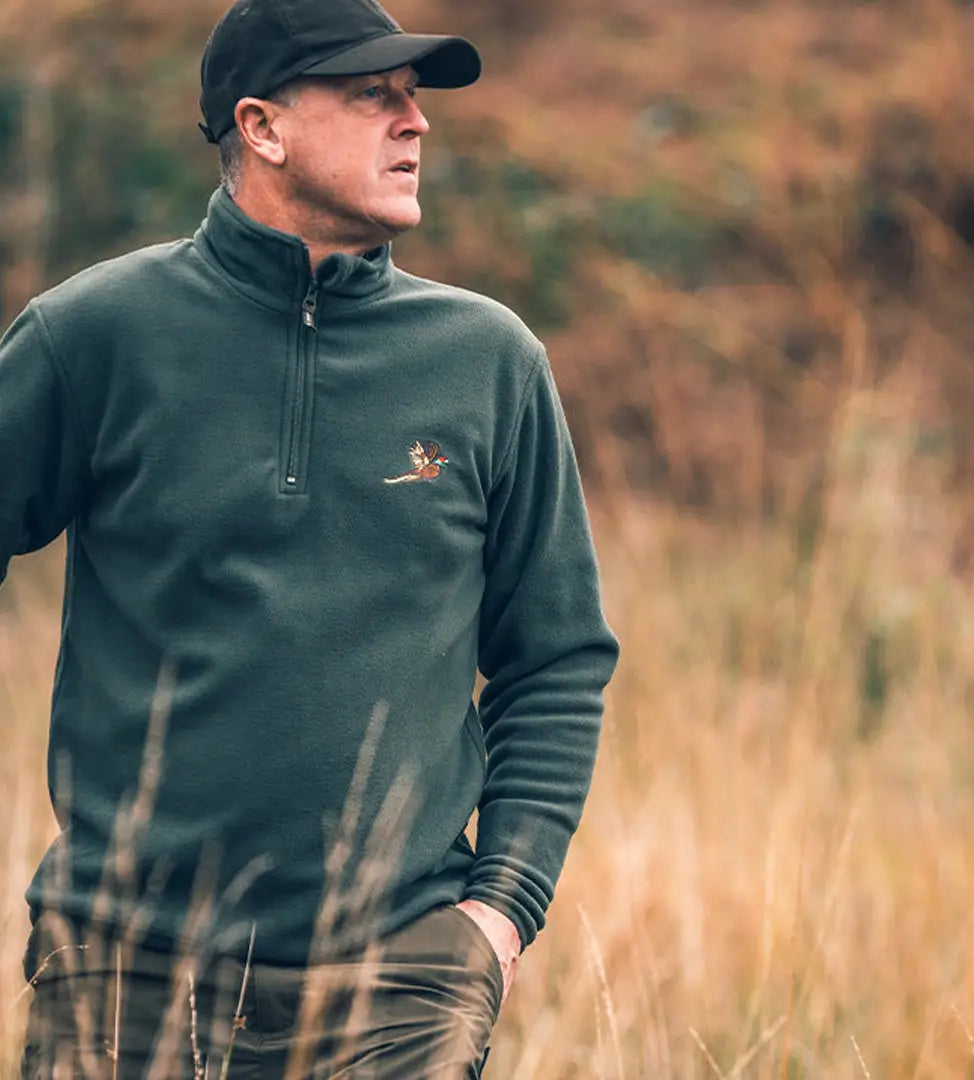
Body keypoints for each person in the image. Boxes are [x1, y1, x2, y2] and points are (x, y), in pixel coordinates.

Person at [4, 0, 619, 1075]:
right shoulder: (92, 337)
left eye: (414, 98)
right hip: (125, 972)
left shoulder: (487, 362)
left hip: (395, 983)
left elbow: (556, 659)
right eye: (372, 94)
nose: (413, 123)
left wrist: (500, 911)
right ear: (264, 128)